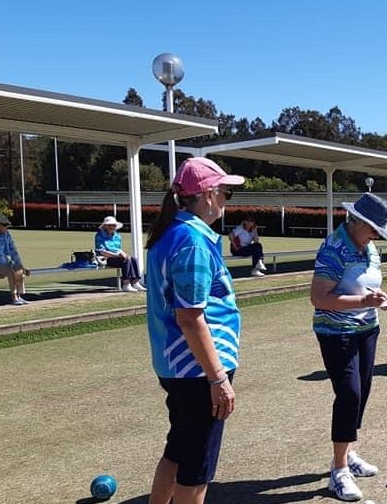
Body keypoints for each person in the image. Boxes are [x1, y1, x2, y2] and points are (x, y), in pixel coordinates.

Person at [144, 157, 245, 504]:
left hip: (182, 368)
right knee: (196, 471)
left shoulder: (174, 233)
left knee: (178, 451)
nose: (227, 200)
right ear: (207, 194)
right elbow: (190, 317)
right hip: (196, 371)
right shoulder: (191, 241)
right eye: (226, 193)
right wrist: (218, 379)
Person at [310, 192, 387, 502]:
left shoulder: (368, 247)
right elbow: (319, 297)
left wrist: (377, 297)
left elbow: (367, 283)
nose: (374, 236)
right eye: (372, 229)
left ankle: (349, 452)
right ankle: (339, 470)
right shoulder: (334, 248)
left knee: (362, 392)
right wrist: (363, 301)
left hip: (367, 328)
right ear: (357, 221)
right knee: (349, 393)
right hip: (336, 332)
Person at [0, 215, 30, 305]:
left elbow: (13, 250)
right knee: (10, 272)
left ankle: (19, 295)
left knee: (19, 271)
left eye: (6, 225)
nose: (5, 227)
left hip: (5, 262)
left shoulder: (7, 234)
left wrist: (20, 265)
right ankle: (14, 297)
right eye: (3, 225)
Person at [95, 216, 145, 292]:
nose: (112, 227)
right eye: (110, 225)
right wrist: (117, 255)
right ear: (105, 226)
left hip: (117, 257)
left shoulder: (117, 236)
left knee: (133, 259)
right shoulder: (99, 236)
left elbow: (118, 249)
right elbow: (102, 251)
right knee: (126, 260)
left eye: (114, 225)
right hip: (106, 259)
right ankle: (126, 284)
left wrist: (122, 253)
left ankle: (135, 282)